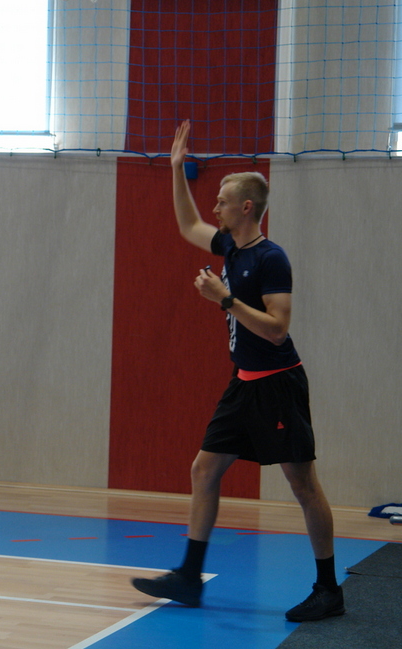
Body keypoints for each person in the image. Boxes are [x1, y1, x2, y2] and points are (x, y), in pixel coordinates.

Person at [131, 120, 344, 622]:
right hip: (243, 383)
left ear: (246, 207)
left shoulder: (271, 259)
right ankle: (188, 577)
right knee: (204, 470)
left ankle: (328, 589)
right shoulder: (229, 247)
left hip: (278, 384)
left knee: (303, 485)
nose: (215, 209)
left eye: (223, 202)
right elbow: (187, 225)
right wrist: (176, 170)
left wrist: (224, 300)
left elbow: (277, 329)